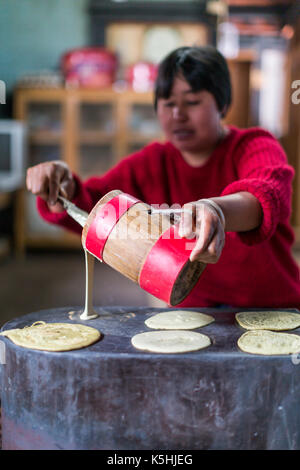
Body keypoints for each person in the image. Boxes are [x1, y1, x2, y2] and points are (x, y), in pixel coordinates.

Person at [26, 45, 300, 309]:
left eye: (192, 102)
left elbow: (265, 195)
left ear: (223, 103)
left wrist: (217, 210)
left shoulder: (254, 146)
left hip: (271, 308)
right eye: (167, 103)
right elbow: (95, 210)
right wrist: (62, 188)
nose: (178, 114)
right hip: (194, 314)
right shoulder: (151, 164)